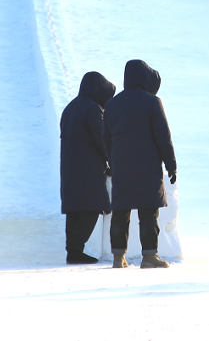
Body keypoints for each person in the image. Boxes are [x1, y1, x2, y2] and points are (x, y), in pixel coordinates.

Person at [103, 60, 177, 269]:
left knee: (120, 213)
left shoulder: (112, 104)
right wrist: (171, 165)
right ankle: (149, 256)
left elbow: (105, 138)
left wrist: (113, 160)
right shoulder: (152, 102)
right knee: (148, 213)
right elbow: (164, 137)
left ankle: (118, 258)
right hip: (148, 166)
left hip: (121, 165)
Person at [59, 72, 117, 264]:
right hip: (88, 169)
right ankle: (76, 249)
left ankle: (72, 251)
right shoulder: (92, 109)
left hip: (70, 166)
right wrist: (113, 162)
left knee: (75, 209)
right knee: (93, 207)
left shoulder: (70, 108)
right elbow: (101, 140)